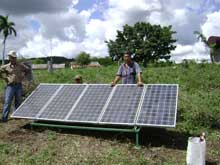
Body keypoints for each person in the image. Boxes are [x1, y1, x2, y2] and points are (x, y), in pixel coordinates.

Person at [0, 50, 30, 122]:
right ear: (9, 58)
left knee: (18, 101)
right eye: (12, 57)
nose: (13, 59)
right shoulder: (6, 66)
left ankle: (16, 116)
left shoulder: (20, 65)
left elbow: (27, 69)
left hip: (18, 86)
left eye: (14, 57)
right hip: (10, 86)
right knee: (7, 101)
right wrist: (4, 78)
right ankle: (4, 118)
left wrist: (23, 77)